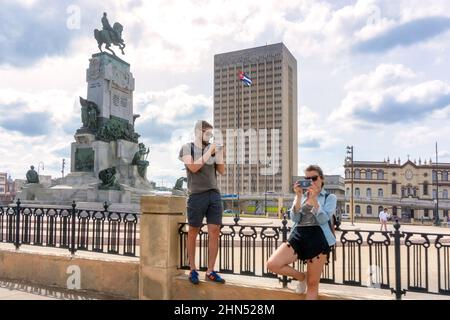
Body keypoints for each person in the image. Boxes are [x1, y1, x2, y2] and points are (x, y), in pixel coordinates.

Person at [266, 165, 337, 300]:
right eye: (307, 178)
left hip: (318, 237)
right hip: (299, 234)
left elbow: (323, 219)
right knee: (273, 264)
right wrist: (298, 196)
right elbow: (295, 218)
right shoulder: (303, 195)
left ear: (321, 179)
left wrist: (315, 200)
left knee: (312, 284)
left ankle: (307, 279)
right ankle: (301, 276)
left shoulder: (329, 197)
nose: (310, 181)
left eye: (314, 178)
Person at [179, 120, 226, 285]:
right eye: (207, 133)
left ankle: (210, 271)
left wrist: (219, 154)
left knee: (214, 232)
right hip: (196, 195)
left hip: (214, 194)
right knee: (193, 232)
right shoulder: (187, 148)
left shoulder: (211, 150)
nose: (209, 136)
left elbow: (222, 171)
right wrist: (208, 152)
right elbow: (193, 167)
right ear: (198, 132)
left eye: (211, 134)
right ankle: (193, 269)